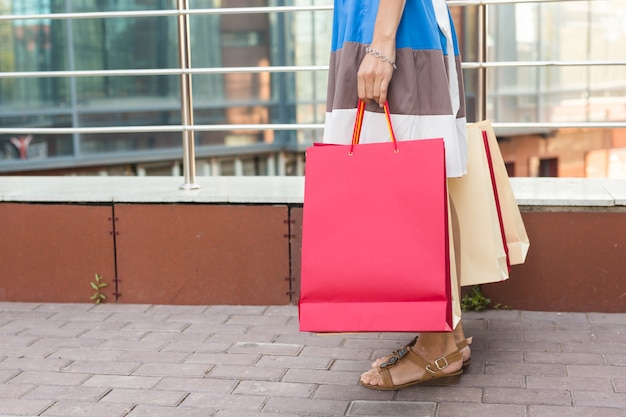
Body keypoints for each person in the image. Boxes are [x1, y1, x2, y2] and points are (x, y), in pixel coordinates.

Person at [323, 0, 471, 390]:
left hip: (389, 29)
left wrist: (381, 43)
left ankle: (436, 346)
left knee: (411, 183)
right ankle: (446, 336)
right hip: (389, 27)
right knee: (426, 179)